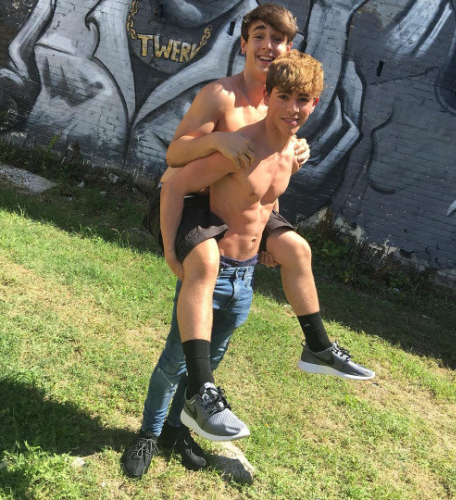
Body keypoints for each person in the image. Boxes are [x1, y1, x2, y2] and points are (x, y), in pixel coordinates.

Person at [153, 3, 374, 413]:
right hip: (199, 204)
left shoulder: (283, 104)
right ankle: (159, 425)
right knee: (193, 306)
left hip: (243, 211)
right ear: (244, 44)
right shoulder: (222, 96)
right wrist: (218, 140)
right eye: (259, 37)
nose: (269, 46)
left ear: (290, 49)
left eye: (279, 39)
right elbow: (175, 156)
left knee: (297, 249)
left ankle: (318, 345)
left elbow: (264, 185)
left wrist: (266, 231)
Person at [123, 48, 325, 479]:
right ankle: (149, 433)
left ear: (313, 103)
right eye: (284, 97)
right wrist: (171, 249)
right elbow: (174, 180)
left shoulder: (286, 147)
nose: (292, 108)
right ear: (269, 95)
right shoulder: (236, 134)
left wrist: (269, 239)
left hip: (245, 275)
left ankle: (178, 430)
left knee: (207, 367)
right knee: (175, 361)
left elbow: (264, 198)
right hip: (209, 269)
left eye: (302, 100)